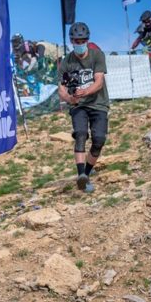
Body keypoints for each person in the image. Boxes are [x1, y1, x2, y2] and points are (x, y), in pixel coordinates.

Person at [58, 22, 109, 194]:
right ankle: (81, 175)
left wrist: (84, 91)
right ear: (72, 41)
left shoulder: (97, 56)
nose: (79, 44)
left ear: (87, 40)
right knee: (80, 134)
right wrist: (70, 98)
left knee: (99, 139)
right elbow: (62, 89)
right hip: (78, 106)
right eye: (76, 41)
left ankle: (86, 173)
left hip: (98, 104)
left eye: (82, 41)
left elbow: (99, 82)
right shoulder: (66, 62)